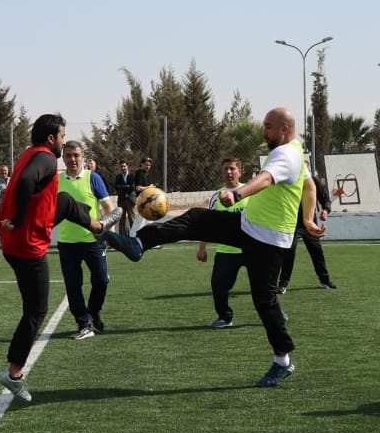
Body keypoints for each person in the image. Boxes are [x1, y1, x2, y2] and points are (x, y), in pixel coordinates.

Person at [104, 107, 324, 388]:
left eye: (268, 127)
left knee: (264, 301)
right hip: (249, 226)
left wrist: (238, 193)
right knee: (197, 218)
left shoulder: (286, 154)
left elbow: (266, 179)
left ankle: (282, 360)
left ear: (285, 129)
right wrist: (307, 218)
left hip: (268, 241)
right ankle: (138, 243)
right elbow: (308, 186)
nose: (263, 131)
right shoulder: (296, 150)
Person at [0, 114, 106, 403]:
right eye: (62, 137)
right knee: (36, 310)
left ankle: (98, 227)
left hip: (16, 239)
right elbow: (26, 182)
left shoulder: (30, 153)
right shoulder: (45, 158)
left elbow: (28, 185)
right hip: (27, 244)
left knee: (66, 202)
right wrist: (20, 219)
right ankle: (14, 374)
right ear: (50, 138)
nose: (63, 142)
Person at [57, 140, 118, 340]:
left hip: (93, 241)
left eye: (76, 155)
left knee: (101, 280)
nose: (72, 159)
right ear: (63, 158)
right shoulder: (56, 181)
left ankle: (93, 312)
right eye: (68, 155)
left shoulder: (93, 178)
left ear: (83, 157)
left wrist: (109, 234)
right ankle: (84, 323)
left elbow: (109, 208)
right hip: (67, 243)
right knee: (73, 286)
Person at [196, 157, 247, 328]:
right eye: (226, 169)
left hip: (252, 249)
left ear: (240, 171)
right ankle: (224, 317)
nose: (229, 172)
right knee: (218, 286)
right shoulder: (216, 196)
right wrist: (202, 248)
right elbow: (208, 223)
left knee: (264, 286)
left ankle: (274, 314)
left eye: (232, 168)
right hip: (226, 251)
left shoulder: (250, 192)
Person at [279, 170, 336, 291]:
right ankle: (283, 284)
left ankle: (324, 280)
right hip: (291, 223)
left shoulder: (314, 181)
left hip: (310, 224)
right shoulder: (287, 180)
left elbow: (325, 199)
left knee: (317, 252)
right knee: (289, 252)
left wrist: (325, 210)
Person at [112, 160, 138, 235]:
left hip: (130, 200)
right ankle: (122, 236)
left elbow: (132, 187)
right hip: (121, 200)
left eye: (124, 166)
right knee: (121, 219)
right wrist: (126, 186)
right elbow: (116, 187)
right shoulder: (118, 177)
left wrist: (122, 187)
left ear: (127, 167)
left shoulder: (132, 176)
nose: (123, 168)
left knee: (132, 218)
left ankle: (133, 234)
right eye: (121, 166)